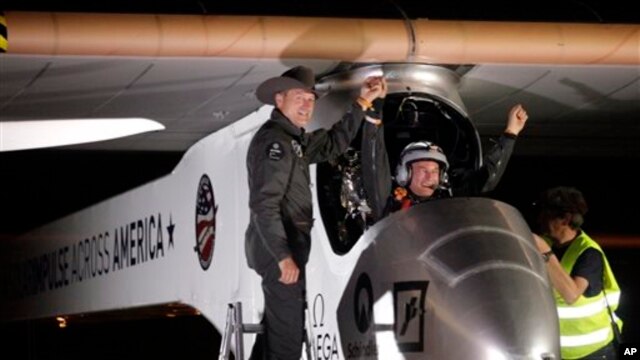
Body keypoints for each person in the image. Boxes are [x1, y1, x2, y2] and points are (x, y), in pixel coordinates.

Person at [245, 65, 386, 360]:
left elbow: (333, 144)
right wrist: (283, 256)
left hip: (286, 246)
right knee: (287, 341)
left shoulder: (292, 139)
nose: (307, 106)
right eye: (299, 98)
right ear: (279, 99)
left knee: (277, 330)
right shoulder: (276, 144)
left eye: (310, 99)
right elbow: (264, 205)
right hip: (279, 250)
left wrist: (362, 103)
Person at [382, 104, 529, 215]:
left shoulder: (451, 198)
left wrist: (511, 133)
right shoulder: (388, 203)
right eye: (423, 170)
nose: (430, 176)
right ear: (404, 174)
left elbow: (487, 178)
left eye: (435, 170)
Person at [532, 186, 623, 360]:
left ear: (565, 219)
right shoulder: (548, 244)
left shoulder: (588, 253)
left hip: (593, 352)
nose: (540, 219)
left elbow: (571, 294)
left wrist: (545, 253)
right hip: (556, 351)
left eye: (546, 214)